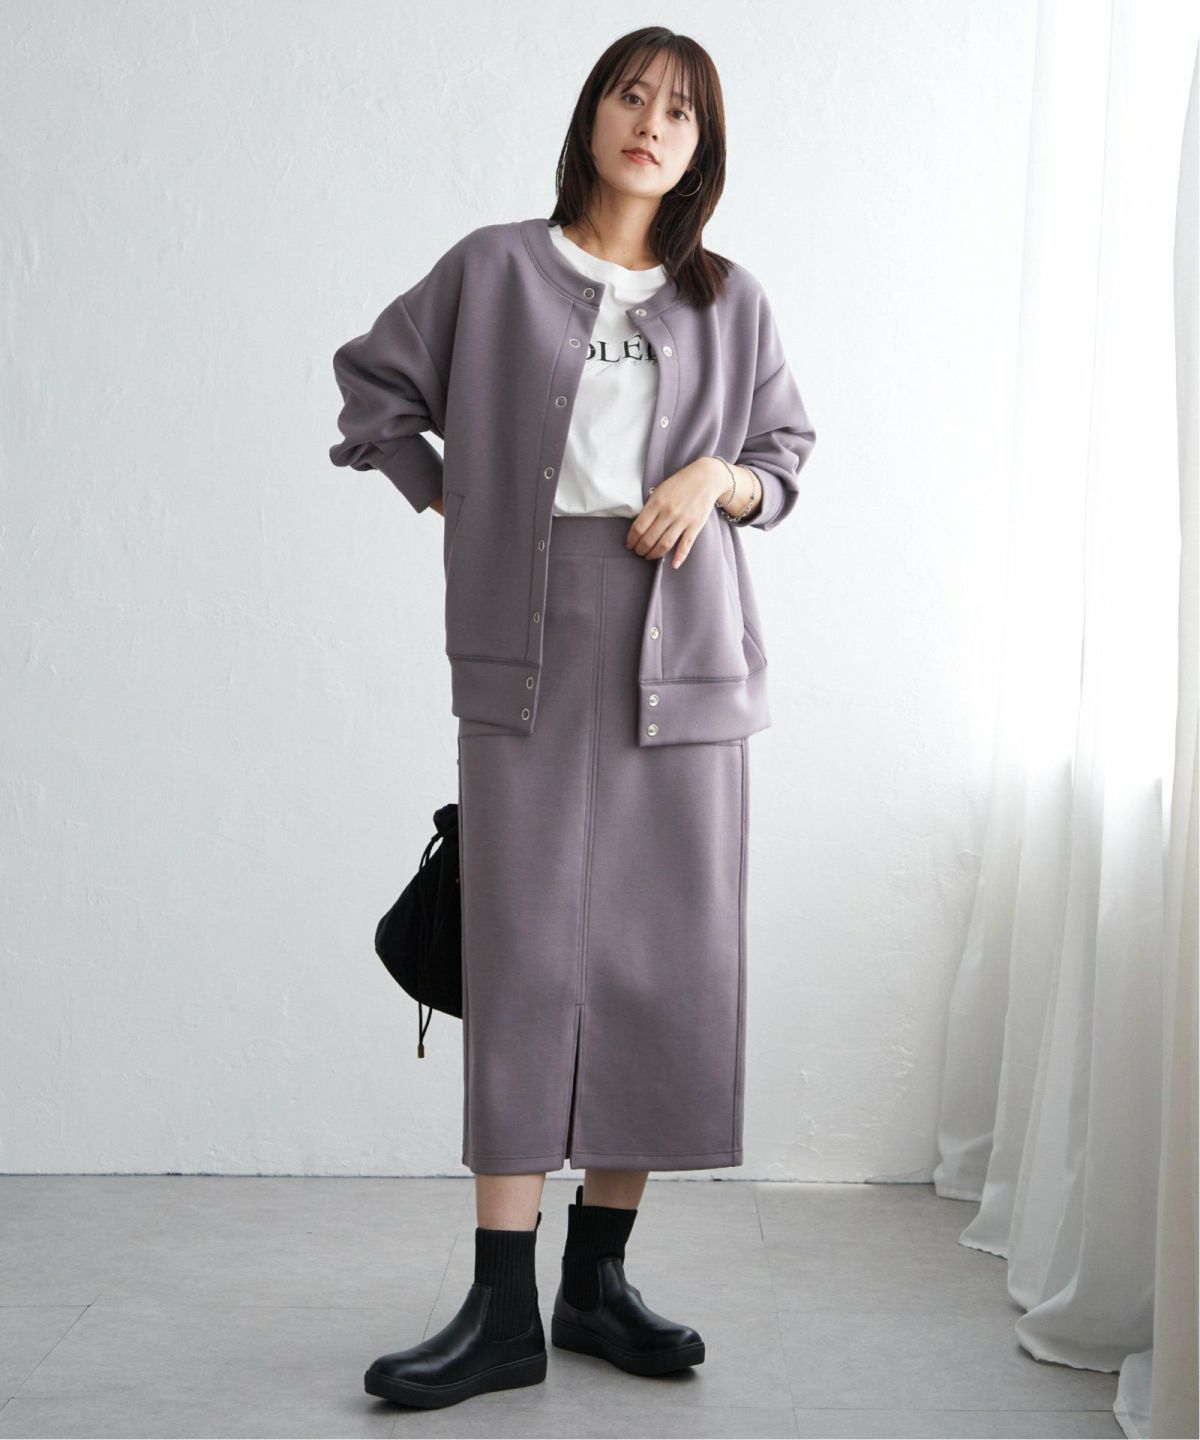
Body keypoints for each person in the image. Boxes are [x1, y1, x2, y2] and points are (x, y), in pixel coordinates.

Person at [327, 25, 816, 1410]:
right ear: (593, 116)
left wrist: (717, 478)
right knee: (526, 959)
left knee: (661, 963)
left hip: (686, 654)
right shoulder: (494, 268)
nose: (652, 123)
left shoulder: (733, 300)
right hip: (528, 647)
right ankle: (501, 1307)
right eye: (631, 96)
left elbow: (785, 462)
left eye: (681, 111)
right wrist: (451, 495)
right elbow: (372, 385)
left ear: (702, 147)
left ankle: (597, 1279)